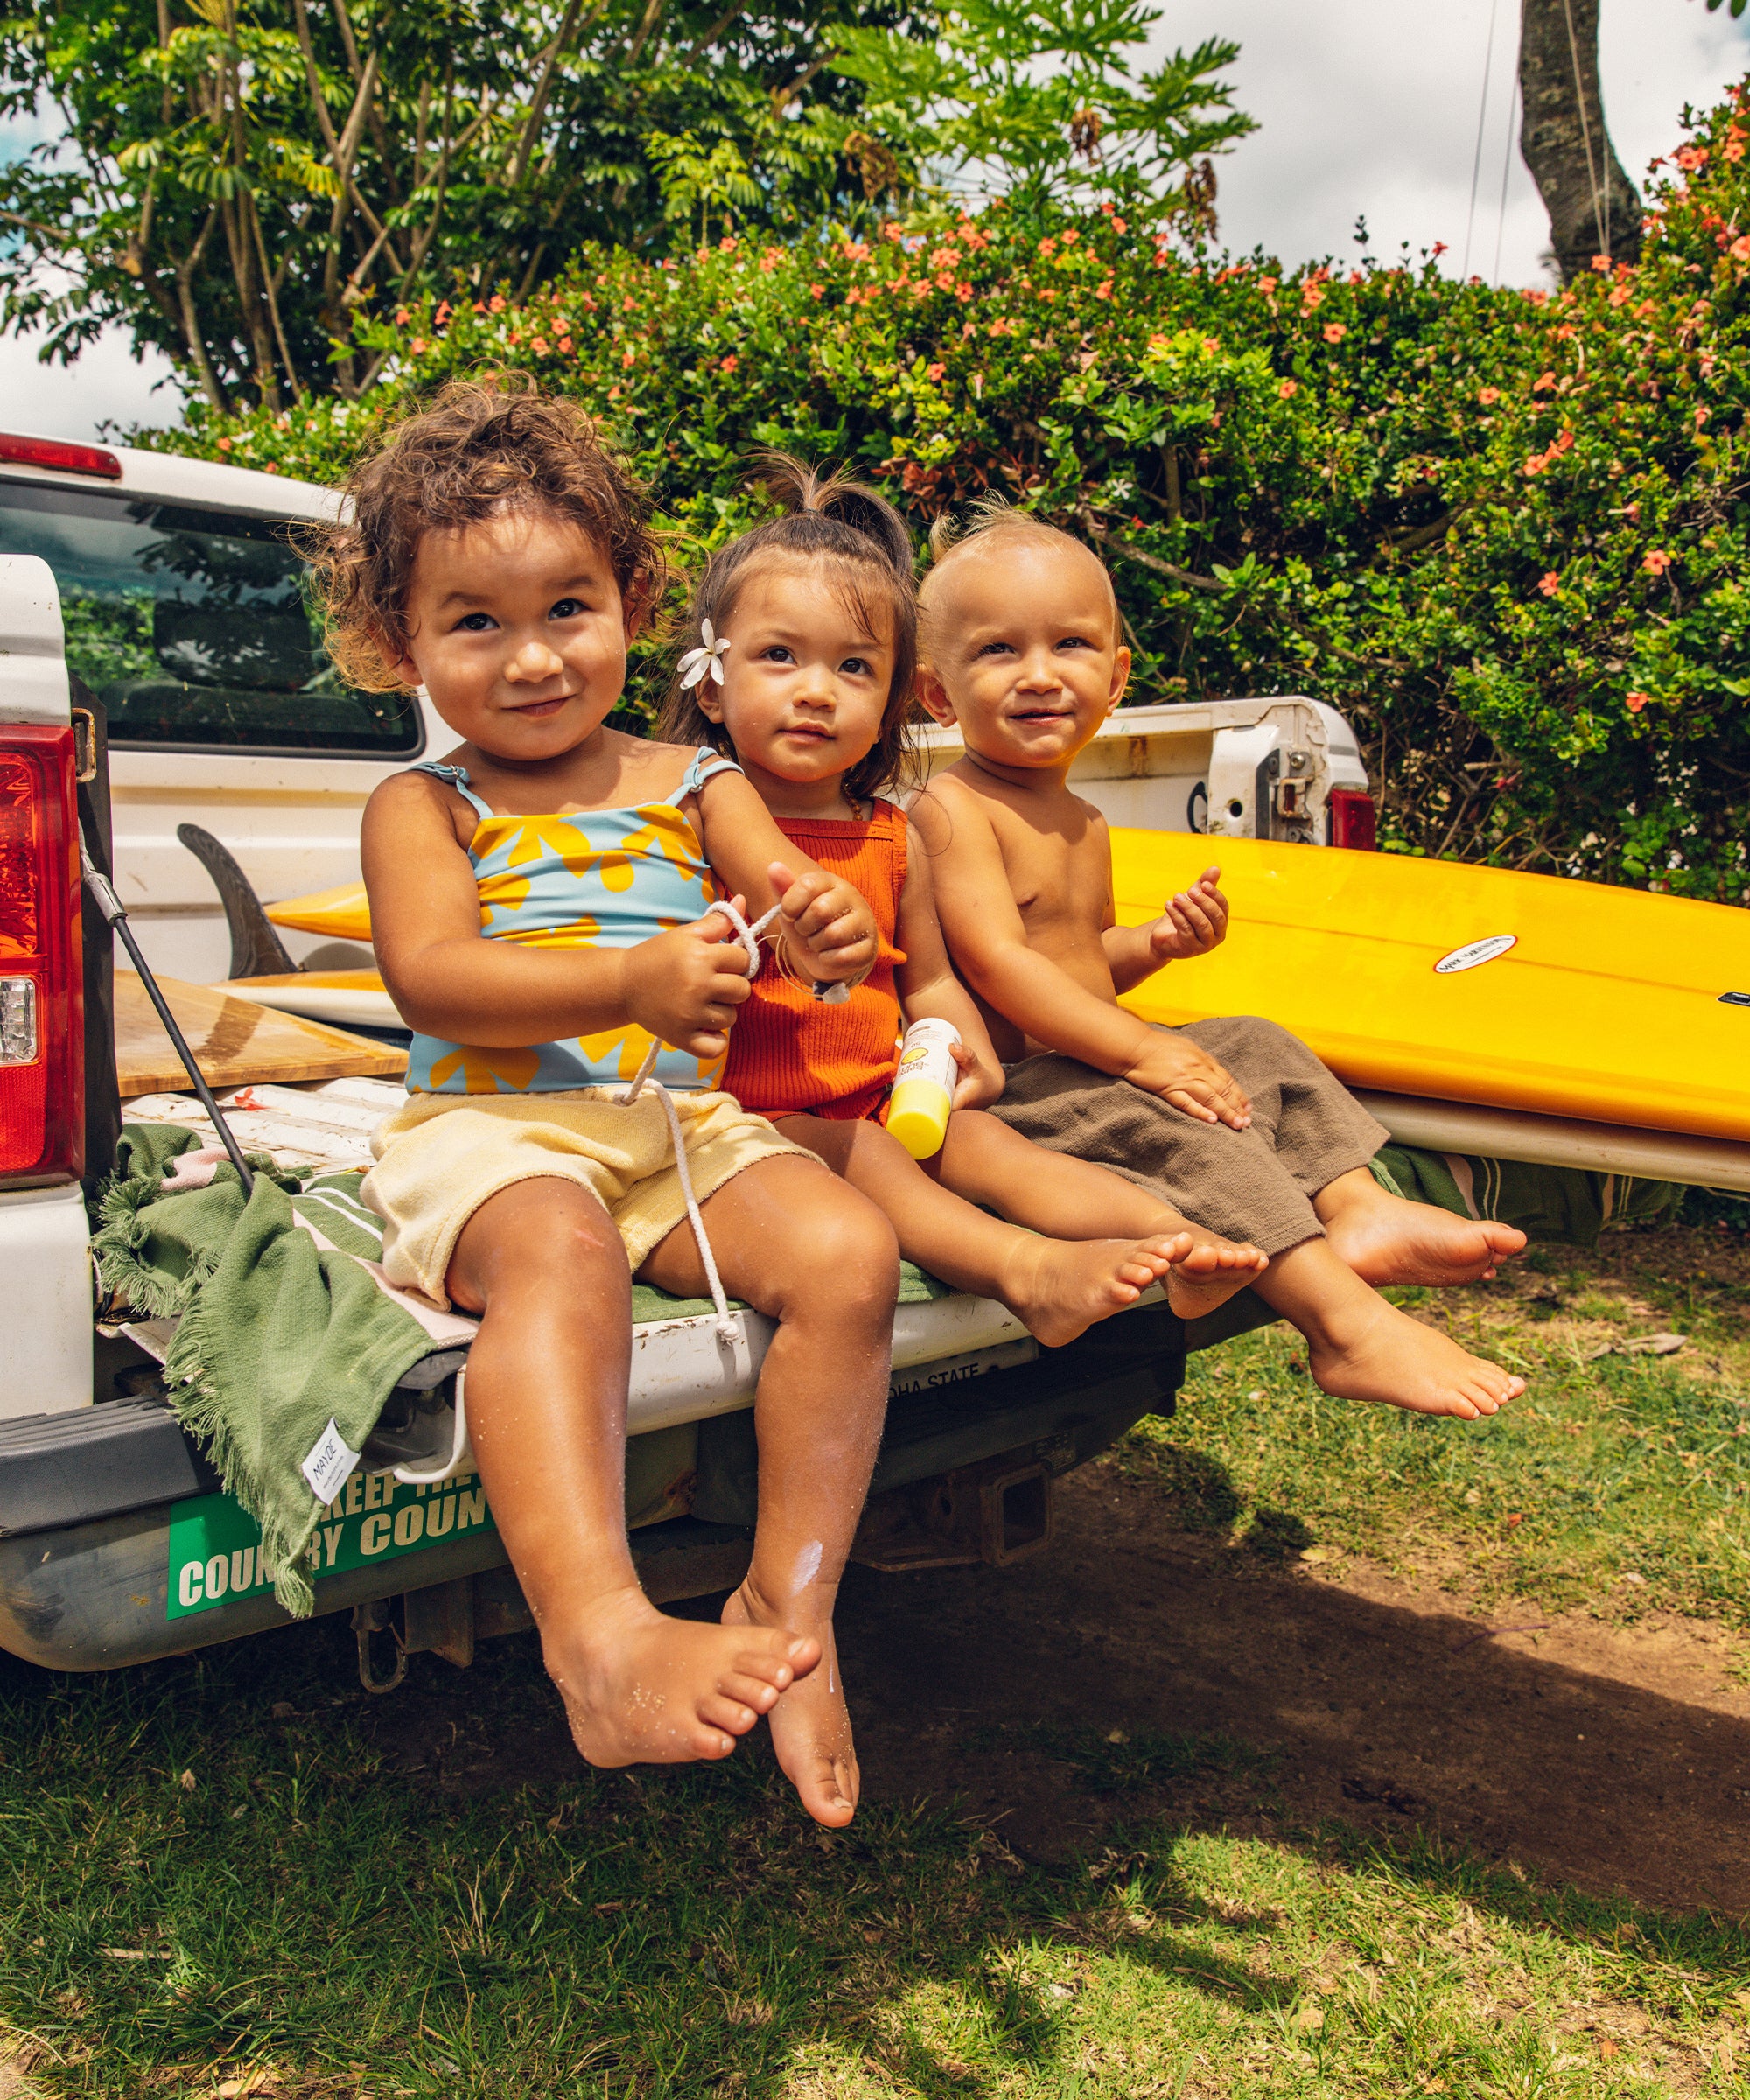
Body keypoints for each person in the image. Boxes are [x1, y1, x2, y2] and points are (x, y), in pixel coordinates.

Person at [312, 378, 901, 1827]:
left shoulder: (693, 779)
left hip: (670, 1135)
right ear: (399, 642)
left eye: (567, 608)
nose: (529, 660)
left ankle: (791, 1608)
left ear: (635, 598)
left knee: (848, 1257)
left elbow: (791, 891)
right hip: (492, 1137)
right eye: (474, 624)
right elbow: (436, 979)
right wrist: (627, 985)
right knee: (560, 1252)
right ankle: (598, 1633)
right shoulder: (425, 808)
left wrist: (820, 929)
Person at [914, 502, 1529, 1422]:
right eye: (998, 651)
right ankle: (1344, 1329)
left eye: (1070, 645)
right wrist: (1138, 1053)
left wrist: (1154, 946)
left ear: (1116, 678)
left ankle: (1354, 1205)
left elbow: (1077, 961)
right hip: (1026, 1090)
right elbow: (1000, 967)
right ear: (936, 694)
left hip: (1088, 1056)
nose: (1039, 676)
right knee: (1195, 1133)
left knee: (1259, 1044)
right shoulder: (953, 810)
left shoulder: (1081, 819)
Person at [656, 459, 1270, 1336]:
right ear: (711, 683)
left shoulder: (892, 832)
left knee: (987, 1144)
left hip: (880, 1091)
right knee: (872, 1157)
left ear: (894, 701)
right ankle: (1028, 1272)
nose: (815, 690)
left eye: (853, 666)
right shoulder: (683, 826)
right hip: (758, 1113)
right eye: (778, 657)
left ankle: (1176, 1242)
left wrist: (964, 1050)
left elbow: (932, 981)